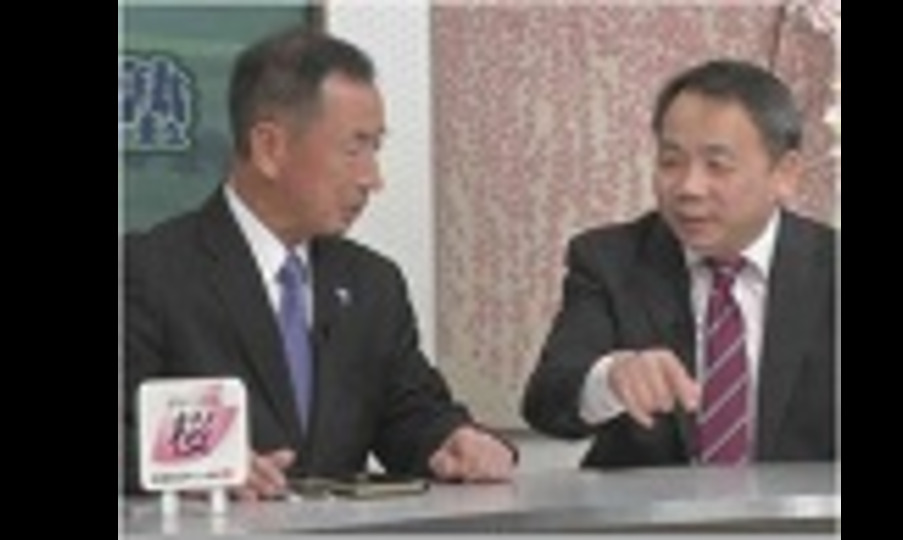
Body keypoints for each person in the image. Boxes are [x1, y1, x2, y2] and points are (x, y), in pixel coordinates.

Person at [122, 25, 515, 499]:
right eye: (354, 149)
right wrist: (199, 462)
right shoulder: (148, 272)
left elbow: (409, 413)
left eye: (375, 148)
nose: (372, 178)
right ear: (270, 148)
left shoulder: (372, 284)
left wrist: (450, 440)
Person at [522, 59, 836, 468]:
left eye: (717, 166)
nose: (689, 187)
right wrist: (611, 378)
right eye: (671, 162)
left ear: (785, 174)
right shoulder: (610, 260)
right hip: (650, 510)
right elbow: (547, 402)